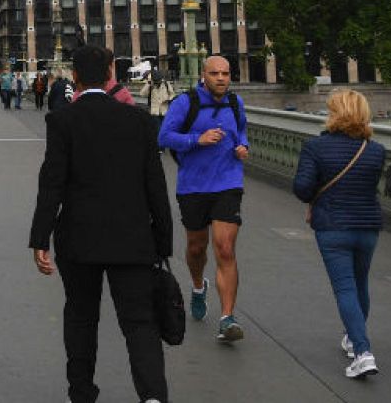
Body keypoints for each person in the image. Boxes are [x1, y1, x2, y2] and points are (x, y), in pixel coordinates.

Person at [30, 44, 173, 403]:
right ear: (111, 73)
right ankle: (152, 395)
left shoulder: (62, 121)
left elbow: (52, 184)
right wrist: (163, 241)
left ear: (74, 77)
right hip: (133, 237)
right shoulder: (139, 120)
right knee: (139, 322)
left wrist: (40, 238)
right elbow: (155, 185)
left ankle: (82, 391)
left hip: (79, 238)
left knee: (80, 316)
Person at [293, 89, 388, 379]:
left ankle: (362, 351)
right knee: (360, 285)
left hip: (333, 226)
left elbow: (302, 188)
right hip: (368, 225)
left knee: (345, 288)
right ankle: (352, 338)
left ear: (334, 113)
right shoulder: (375, 150)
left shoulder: (315, 148)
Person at [157, 55, 249, 342]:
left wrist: (242, 146)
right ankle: (198, 286)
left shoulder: (236, 103)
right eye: (215, 73)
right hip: (194, 186)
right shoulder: (185, 103)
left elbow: (242, 130)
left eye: (225, 73)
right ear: (203, 75)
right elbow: (164, 137)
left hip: (228, 182)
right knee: (197, 247)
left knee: (225, 248)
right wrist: (197, 139)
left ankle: (227, 318)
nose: (221, 78)